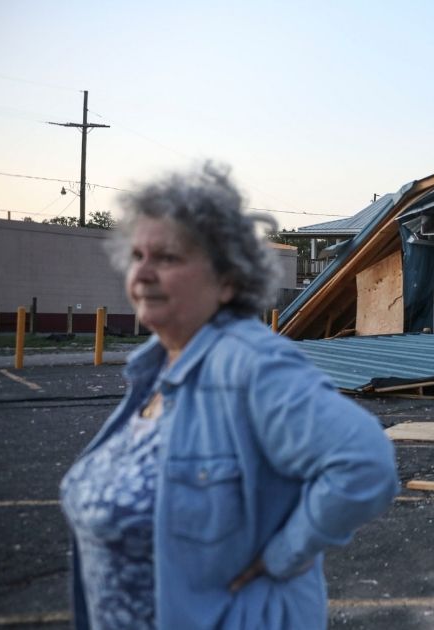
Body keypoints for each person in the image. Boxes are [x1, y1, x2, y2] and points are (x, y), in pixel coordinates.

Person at [60, 163, 399, 629]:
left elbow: (365, 463)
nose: (143, 272)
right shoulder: (155, 367)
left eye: (168, 257)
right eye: (137, 255)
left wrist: (284, 555)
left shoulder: (250, 363)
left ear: (227, 278)